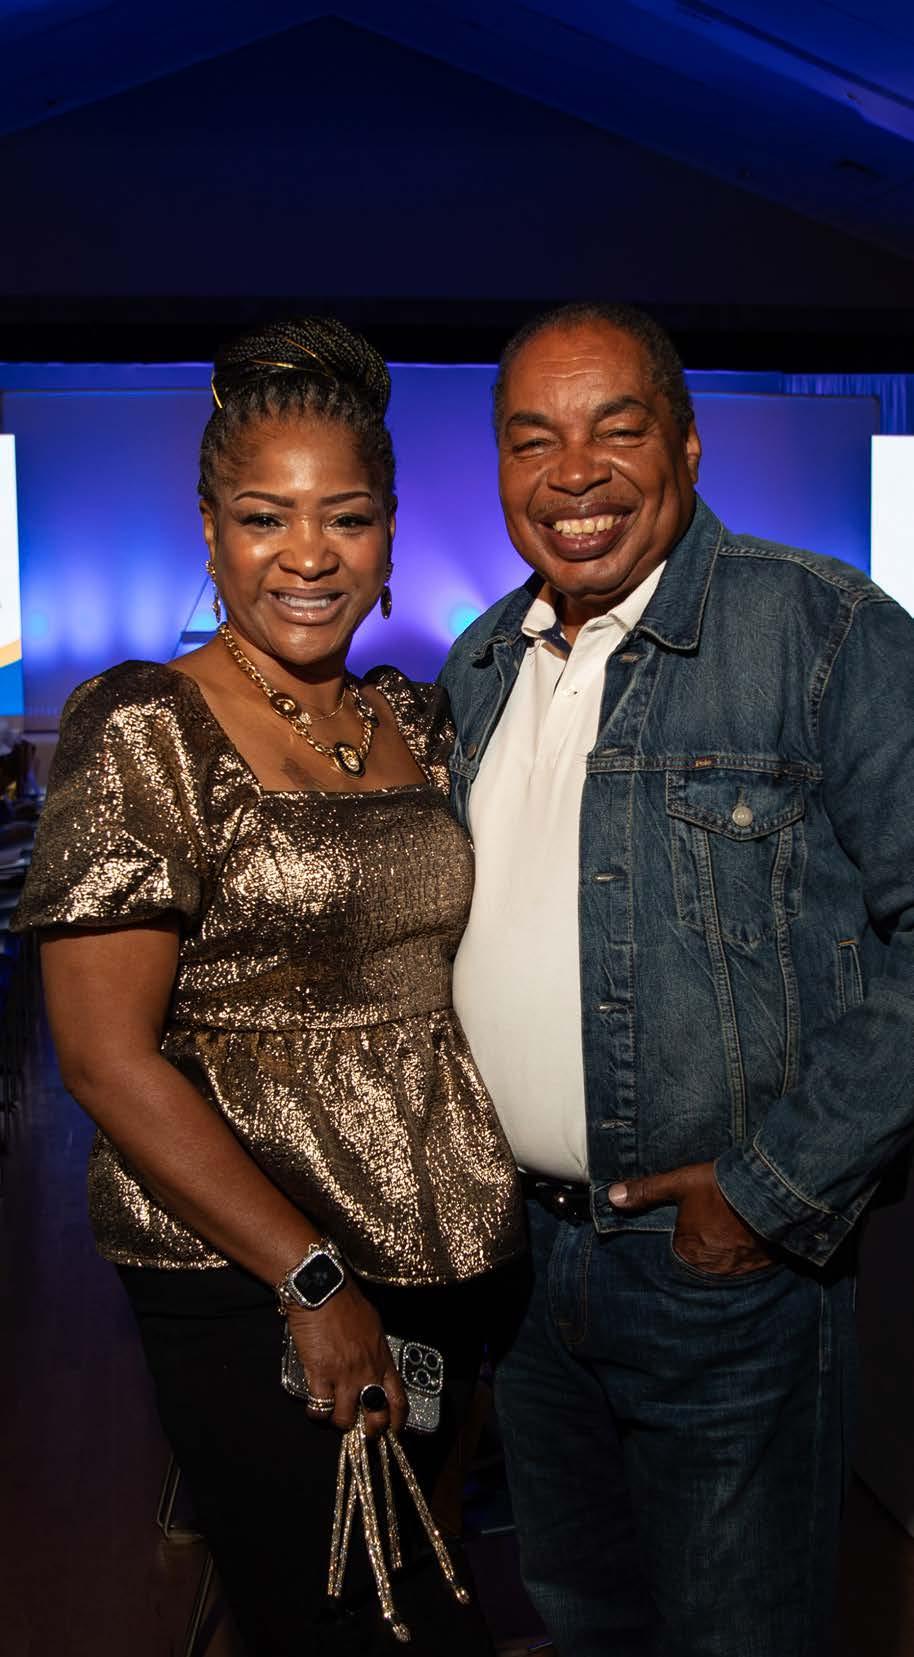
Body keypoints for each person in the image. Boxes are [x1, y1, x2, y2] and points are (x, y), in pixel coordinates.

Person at [14, 318, 523, 1657]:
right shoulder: (147, 727)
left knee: (416, 1593)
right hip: (249, 1267)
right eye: (263, 517)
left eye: (345, 518)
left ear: (390, 535)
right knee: (353, 1622)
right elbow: (104, 1058)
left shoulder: (414, 721)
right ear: (210, 531)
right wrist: (309, 1278)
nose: (308, 554)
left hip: (435, 1246)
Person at [440, 301, 914, 1657]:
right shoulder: (481, 662)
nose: (572, 473)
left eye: (616, 427)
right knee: (586, 1619)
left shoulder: (819, 630)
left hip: (720, 1276)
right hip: (524, 1273)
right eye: (532, 439)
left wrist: (769, 1192)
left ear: (689, 447)